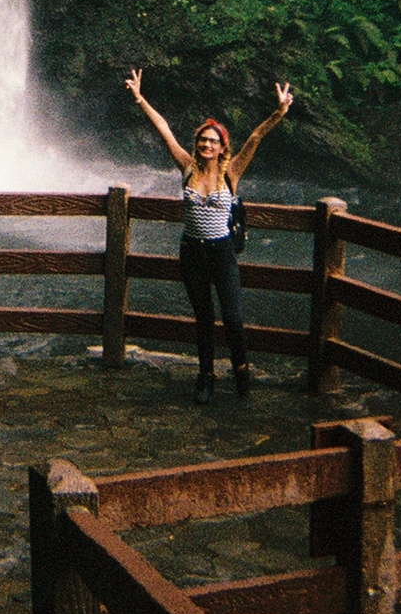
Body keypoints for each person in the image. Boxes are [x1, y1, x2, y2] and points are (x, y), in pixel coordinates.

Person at [124, 71, 293, 403]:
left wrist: (279, 112)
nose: (206, 145)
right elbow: (163, 130)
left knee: (232, 317)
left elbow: (256, 137)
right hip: (192, 252)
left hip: (221, 252)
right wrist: (140, 99)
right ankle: (206, 377)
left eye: (213, 141)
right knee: (204, 318)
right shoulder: (187, 167)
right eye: (203, 140)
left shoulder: (231, 172)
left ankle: (242, 372)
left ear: (221, 146)